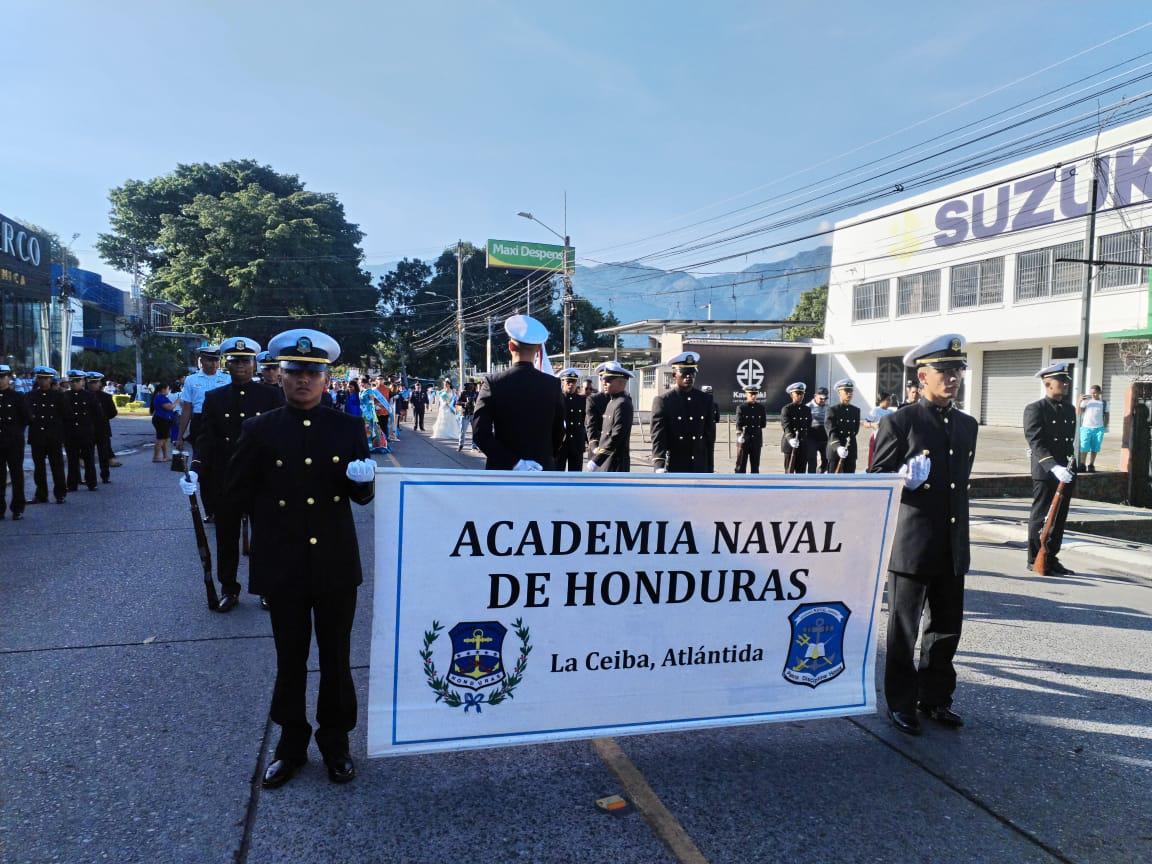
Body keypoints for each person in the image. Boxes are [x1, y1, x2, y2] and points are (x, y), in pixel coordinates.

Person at [215, 328, 375, 789]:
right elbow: (236, 492)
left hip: (334, 563)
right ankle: (290, 744)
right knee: (290, 657)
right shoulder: (259, 429)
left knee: (336, 656)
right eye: (294, 372)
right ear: (279, 377)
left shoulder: (346, 427)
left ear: (326, 379)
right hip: (282, 561)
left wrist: (363, 483)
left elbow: (358, 495)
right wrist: (207, 491)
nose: (303, 380)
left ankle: (336, 741)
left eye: (312, 372)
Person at [869, 333, 978, 736]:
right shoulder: (900, 421)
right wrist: (900, 479)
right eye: (944, 371)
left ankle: (935, 698)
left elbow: (957, 485)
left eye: (958, 371)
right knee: (905, 629)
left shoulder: (966, 426)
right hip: (912, 543)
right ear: (922, 375)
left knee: (946, 628)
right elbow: (876, 478)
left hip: (951, 543)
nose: (953, 379)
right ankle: (901, 702)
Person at [189, 337, 285, 611]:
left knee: (265, 536)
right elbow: (205, 438)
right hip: (227, 477)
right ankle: (229, 588)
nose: (240, 366)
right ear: (226, 364)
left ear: (254, 364)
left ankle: (266, 587)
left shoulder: (271, 396)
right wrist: (195, 469)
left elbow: (280, 436)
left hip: (261, 478)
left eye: (245, 361)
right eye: (234, 361)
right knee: (226, 537)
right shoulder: (215, 398)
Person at [473, 315, 565, 471]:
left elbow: (480, 434)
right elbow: (558, 433)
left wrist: (514, 463)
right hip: (542, 469)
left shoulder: (493, 383)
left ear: (510, 346)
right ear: (538, 349)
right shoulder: (553, 384)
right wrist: (546, 457)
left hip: (503, 472)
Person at [1024, 362, 1077, 575]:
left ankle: (1051, 556)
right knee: (1042, 515)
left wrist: (1071, 466)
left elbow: (1068, 441)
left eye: (1066, 381)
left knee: (1059, 516)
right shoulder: (1035, 409)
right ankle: (1034, 557)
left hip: (1065, 471)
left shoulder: (1069, 409)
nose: (1065, 384)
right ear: (1047, 383)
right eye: (1060, 381)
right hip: (1046, 471)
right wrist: (1053, 466)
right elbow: (1035, 441)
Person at [178, 346, 231, 518]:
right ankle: (210, 510)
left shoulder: (227, 379)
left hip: (223, 423)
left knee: (224, 467)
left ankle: (225, 508)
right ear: (201, 360)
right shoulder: (192, 380)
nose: (213, 363)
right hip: (200, 423)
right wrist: (180, 436)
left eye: (216, 360)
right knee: (203, 469)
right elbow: (187, 408)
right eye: (209, 359)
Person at [650, 351, 716, 473]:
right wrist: (659, 465)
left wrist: (710, 466)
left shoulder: (705, 400)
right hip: (675, 464)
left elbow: (709, 437)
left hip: (699, 465)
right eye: (684, 373)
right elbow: (658, 437)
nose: (689, 377)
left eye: (692, 373)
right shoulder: (664, 401)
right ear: (674, 374)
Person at [25, 367, 67, 504]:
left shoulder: (59, 396)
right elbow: (26, 415)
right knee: (39, 468)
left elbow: (66, 416)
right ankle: (41, 494)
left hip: (54, 436)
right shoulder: (30, 395)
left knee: (57, 466)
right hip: (37, 436)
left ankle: (60, 493)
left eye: (46, 378)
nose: (43, 381)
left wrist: (62, 434)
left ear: (51, 379)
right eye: (40, 378)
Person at [587, 362, 634, 472]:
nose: (604, 383)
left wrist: (597, 460)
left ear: (621, 382)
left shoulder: (623, 403)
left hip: (615, 461)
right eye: (603, 380)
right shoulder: (613, 401)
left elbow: (617, 436)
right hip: (605, 458)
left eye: (608, 380)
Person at [0, 364, 31, 520]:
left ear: (9, 378)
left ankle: (17, 508)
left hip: (13, 441)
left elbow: (26, 417)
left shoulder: (17, 397)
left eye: (2, 377)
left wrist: (16, 432)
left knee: (16, 475)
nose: (0, 380)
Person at [63, 370, 100, 492]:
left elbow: (97, 414)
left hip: (86, 432)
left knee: (89, 459)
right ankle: (72, 484)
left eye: (77, 380)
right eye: (72, 381)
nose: (74, 383)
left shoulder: (89, 396)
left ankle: (91, 482)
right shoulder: (65, 396)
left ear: (83, 381)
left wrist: (92, 428)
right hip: (70, 432)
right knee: (72, 459)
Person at [86, 371, 120, 483]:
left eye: (95, 382)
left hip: (102, 428)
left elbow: (113, 412)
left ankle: (105, 475)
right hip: (88, 429)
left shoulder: (106, 397)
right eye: (90, 382)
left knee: (103, 454)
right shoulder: (84, 395)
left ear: (100, 383)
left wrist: (103, 417)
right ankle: (90, 478)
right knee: (88, 455)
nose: (93, 385)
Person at [825, 378, 861, 474]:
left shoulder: (855, 410)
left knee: (849, 480)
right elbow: (831, 431)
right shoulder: (832, 410)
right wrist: (838, 447)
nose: (849, 393)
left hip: (850, 449)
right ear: (839, 392)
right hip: (835, 449)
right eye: (846, 391)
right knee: (833, 481)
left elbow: (855, 431)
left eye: (851, 391)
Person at [556, 368, 587, 471]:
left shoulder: (582, 400)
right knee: (558, 473)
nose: (571, 384)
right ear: (563, 382)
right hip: (561, 443)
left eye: (573, 382)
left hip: (577, 443)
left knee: (576, 475)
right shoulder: (557, 399)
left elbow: (584, 421)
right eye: (568, 382)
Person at [779, 382, 811, 473]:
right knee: (789, 472)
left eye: (802, 394)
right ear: (791, 395)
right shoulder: (786, 409)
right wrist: (791, 439)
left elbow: (808, 426)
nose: (800, 396)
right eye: (797, 393)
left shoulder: (807, 409)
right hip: (790, 445)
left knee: (801, 472)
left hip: (802, 445)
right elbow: (786, 426)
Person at [734, 385, 766, 474]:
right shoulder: (741, 407)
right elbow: (738, 425)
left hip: (756, 441)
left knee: (755, 467)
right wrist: (739, 436)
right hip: (744, 440)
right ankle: (738, 485)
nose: (753, 396)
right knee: (740, 466)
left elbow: (763, 424)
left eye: (755, 394)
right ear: (746, 394)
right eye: (751, 394)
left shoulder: (761, 408)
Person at [1077, 384, 1108, 473]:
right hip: (1086, 427)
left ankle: (1091, 464)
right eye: (1091, 393)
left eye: (1095, 393)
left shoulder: (1104, 403)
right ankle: (1082, 464)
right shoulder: (1086, 402)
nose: (1093, 395)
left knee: (1095, 448)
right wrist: (1079, 401)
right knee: (1084, 447)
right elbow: (1078, 412)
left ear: (1100, 392)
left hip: (1099, 428)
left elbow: (1107, 415)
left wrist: (1104, 427)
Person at [584, 365, 610, 462]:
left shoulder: (625, 399)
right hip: (599, 444)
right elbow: (591, 425)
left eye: (608, 378)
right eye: (602, 378)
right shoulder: (594, 399)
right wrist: (594, 445)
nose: (605, 382)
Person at [864, 391, 896, 468]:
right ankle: (872, 470)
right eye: (888, 399)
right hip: (876, 438)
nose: (890, 402)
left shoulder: (891, 412)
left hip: (887, 439)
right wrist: (872, 424)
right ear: (881, 400)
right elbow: (865, 423)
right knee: (873, 457)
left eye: (890, 400)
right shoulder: (875, 410)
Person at [149, 383, 178, 462]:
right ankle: (156, 457)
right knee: (160, 439)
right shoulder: (160, 397)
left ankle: (165, 456)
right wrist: (177, 401)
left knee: (164, 439)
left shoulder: (162, 397)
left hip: (164, 419)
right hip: (161, 420)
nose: (169, 390)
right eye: (168, 389)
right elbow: (169, 407)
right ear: (163, 389)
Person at [806, 386, 830, 474]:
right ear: (815, 396)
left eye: (825, 398)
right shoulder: (808, 407)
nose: (823, 400)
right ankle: (811, 480)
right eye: (821, 398)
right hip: (812, 438)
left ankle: (820, 473)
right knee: (812, 461)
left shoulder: (828, 407)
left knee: (827, 460)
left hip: (824, 438)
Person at [456, 380, 479, 452]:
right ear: (467, 385)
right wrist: (464, 404)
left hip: (473, 414)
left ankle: (474, 446)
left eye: (472, 385)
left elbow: (480, 403)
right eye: (469, 385)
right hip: (465, 414)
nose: (471, 386)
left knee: (475, 431)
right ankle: (461, 445)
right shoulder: (463, 393)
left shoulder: (476, 393)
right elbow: (457, 403)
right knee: (462, 431)